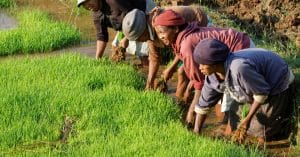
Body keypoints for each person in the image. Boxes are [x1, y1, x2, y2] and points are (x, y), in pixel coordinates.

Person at [152, 9, 254, 125]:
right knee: (218, 94)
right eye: (158, 33)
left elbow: (200, 85)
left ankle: (227, 128)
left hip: (240, 50)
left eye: (162, 32)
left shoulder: (187, 45)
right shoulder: (183, 37)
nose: (160, 36)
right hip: (237, 44)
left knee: (227, 104)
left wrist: (191, 113)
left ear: (175, 29)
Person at [192, 38, 296, 144]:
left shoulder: (239, 68)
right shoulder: (212, 76)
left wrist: (247, 121)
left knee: (262, 131)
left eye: (203, 64)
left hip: (276, 81)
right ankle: (231, 141)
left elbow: (261, 93)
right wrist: (196, 132)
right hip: (253, 82)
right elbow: (203, 105)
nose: (200, 68)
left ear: (215, 63)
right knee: (233, 114)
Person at [122, 5, 209, 93]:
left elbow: (184, 46)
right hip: (182, 41)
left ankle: (185, 100)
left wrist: (171, 68)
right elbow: (154, 58)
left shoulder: (165, 22)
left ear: (143, 32)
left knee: (182, 72)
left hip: (200, 25)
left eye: (138, 39)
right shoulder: (149, 30)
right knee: (183, 72)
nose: (140, 41)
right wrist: (149, 82)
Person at [77, 0, 156, 59]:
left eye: (88, 0)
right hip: (128, 23)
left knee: (142, 52)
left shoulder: (114, 2)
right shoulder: (96, 14)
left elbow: (135, 16)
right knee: (116, 50)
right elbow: (101, 37)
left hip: (144, 12)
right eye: (84, 4)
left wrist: (127, 38)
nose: (87, 5)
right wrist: (97, 59)